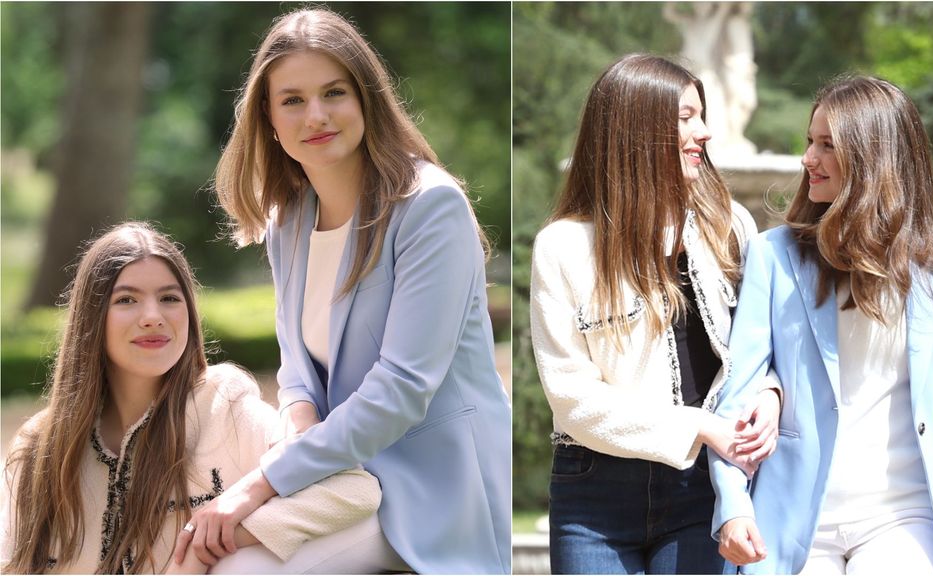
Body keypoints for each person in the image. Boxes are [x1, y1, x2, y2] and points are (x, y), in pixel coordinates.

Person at [176, 7, 512, 574]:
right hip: (338, 474)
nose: (316, 115)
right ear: (269, 116)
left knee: (240, 571)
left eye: (334, 92)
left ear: (366, 98)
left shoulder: (430, 207)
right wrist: (298, 423)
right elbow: (298, 370)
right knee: (194, 548)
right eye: (292, 100)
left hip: (432, 484)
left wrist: (263, 483)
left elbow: (403, 388)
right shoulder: (289, 219)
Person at [710, 75, 933, 575]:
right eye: (809, 141)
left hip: (905, 517)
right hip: (795, 519)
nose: (807, 159)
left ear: (873, 159)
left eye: (826, 145)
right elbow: (738, 393)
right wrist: (732, 505)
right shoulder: (773, 257)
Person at [0, 222, 380, 574]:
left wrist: (235, 530)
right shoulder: (40, 449)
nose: (152, 316)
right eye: (126, 300)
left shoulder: (224, 406)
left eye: (169, 298)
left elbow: (353, 488)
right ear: (91, 318)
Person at [529, 53, 781, 575]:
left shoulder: (729, 225)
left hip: (704, 485)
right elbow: (571, 396)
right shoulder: (563, 246)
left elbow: (765, 345)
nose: (705, 132)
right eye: (686, 117)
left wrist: (770, 395)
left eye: (701, 114)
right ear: (635, 128)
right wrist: (700, 425)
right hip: (593, 492)